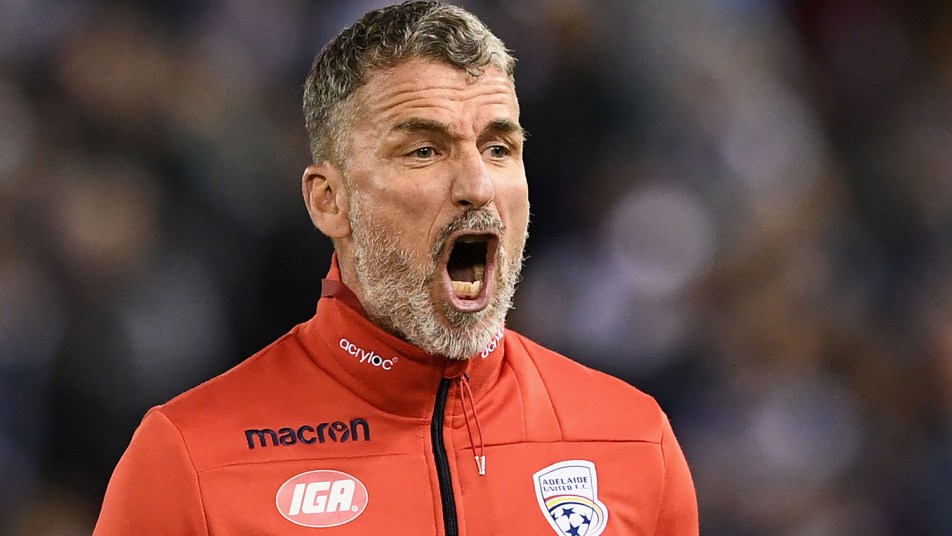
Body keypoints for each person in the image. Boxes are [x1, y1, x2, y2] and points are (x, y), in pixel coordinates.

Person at [94, 2, 698, 534]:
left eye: (498, 148)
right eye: (424, 151)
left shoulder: (634, 441)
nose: (477, 186)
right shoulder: (191, 459)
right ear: (329, 201)